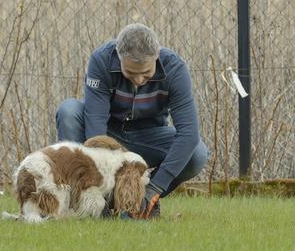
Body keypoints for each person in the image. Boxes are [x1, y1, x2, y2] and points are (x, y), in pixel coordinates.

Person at [56, 23, 209, 219]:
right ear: (118, 57)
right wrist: (103, 184)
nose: (138, 79)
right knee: (69, 111)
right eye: (130, 73)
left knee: (197, 153)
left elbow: (189, 133)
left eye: (146, 73)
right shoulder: (101, 60)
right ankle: (88, 203)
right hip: (108, 135)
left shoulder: (175, 69)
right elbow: (96, 132)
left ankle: (139, 203)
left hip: (149, 137)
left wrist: (153, 188)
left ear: (157, 55)